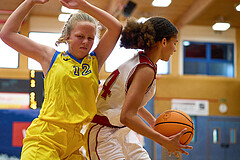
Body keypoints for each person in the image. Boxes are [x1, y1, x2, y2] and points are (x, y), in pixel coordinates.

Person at [0, 0, 122, 159]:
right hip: (46, 137)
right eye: (80, 36)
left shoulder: (95, 61)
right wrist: (30, 2)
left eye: (90, 38)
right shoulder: (50, 56)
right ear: (67, 37)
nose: (85, 41)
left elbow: (116, 28)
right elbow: (7, 34)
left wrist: (83, 5)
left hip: (75, 139)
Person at [86, 17, 193, 160]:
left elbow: (128, 100)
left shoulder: (142, 62)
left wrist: (153, 122)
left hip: (122, 131)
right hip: (104, 133)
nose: (174, 49)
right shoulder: (145, 70)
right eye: (174, 43)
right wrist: (164, 141)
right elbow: (127, 116)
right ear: (163, 42)